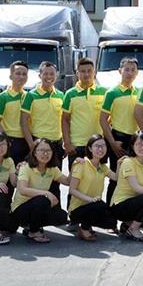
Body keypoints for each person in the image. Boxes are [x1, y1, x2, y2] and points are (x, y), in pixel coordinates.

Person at [62, 57, 107, 215]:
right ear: (77, 73)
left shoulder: (103, 92)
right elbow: (65, 119)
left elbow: (108, 117)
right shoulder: (70, 94)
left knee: (97, 180)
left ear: (94, 72)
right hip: (78, 145)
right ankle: (72, 214)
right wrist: (67, 142)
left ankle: (94, 212)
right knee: (76, 181)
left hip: (98, 146)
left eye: (89, 71)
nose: (86, 74)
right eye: (82, 71)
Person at [20, 61, 64, 203]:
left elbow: (63, 120)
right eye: (45, 74)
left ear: (56, 75)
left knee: (55, 180)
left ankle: (55, 210)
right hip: (38, 144)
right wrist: (31, 144)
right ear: (40, 75)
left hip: (56, 144)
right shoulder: (31, 95)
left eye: (52, 74)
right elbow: (23, 121)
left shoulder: (60, 95)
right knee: (37, 180)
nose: (49, 77)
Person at [11, 138, 71, 243]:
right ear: (34, 152)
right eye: (41, 150)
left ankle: (32, 226)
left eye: (48, 150)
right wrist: (46, 193)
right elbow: (22, 189)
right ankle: (33, 231)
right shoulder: (26, 167)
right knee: (42, 200)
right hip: (21, 210)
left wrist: (75, 166)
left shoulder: (52, 169)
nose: (45, 153)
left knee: (61, 216)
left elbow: (67, 181)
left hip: (37, 207)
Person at [100, 57, 139, 204]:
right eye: (126, 69)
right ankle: (111, 209)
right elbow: (103, 120)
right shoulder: (112, 93)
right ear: (120, 71)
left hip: (135, 139)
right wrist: (112, 142)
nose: (130, 73)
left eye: (133, 70)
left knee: (134, 177)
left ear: (137, 73)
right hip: (118, 139)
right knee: (117, 177)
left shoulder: (138, 92)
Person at [68, 134, 118, 241]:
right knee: (99, 205)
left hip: (94, 206)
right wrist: (90, 200)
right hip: (77, 209)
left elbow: (116, 177)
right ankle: (84, 228)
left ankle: (88, 224)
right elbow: (72, 190)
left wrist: (119, 163)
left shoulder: (102, 167)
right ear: (90, 148)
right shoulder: (81, 164)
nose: (100, 149)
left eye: (103, 146)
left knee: (111, 222)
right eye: (97, 146)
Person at [0, 60, 30, 166]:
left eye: (24, 74)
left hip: (27, 140)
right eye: (18, 73)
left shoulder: (29, 96)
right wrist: (6, 141)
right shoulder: (3, 97)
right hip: (11, 140)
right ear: (11, 76)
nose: (21, 77)